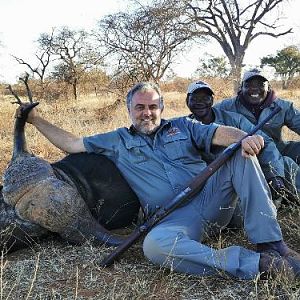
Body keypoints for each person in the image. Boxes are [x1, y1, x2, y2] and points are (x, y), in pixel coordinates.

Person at [24, 81, 300, 281]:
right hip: (173, 219)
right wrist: (35, 119)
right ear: (129, 109)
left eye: (153, 106)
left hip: (211, 200)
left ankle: (270, 243)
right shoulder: (115, 140)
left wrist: (244, 137)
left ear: (162, 107)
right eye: (140, 107)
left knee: (240, 154)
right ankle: (259, 265)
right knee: (153, 246)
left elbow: (219, 133)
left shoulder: (184, 125)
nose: (147, 112)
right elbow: (71, 143)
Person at [185, 80, 289, 203]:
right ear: (187, 101)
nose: (200, 103)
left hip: (243, 176)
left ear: (212, 101)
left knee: (287, 164)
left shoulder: (234, 120)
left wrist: (275, 175)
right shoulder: (181, 127)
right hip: (210, 187)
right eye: (195, 98)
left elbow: (265, 142)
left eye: (205, 98)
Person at [215, 69, 300, 198]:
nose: (255, 89)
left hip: (278, 149)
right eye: (249, 85)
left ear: (269, 87)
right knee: (287, 163)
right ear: (241, 87)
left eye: (261, 85)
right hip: (249, 154)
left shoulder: (283, 106)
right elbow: (204, 115)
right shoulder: (227, 106)